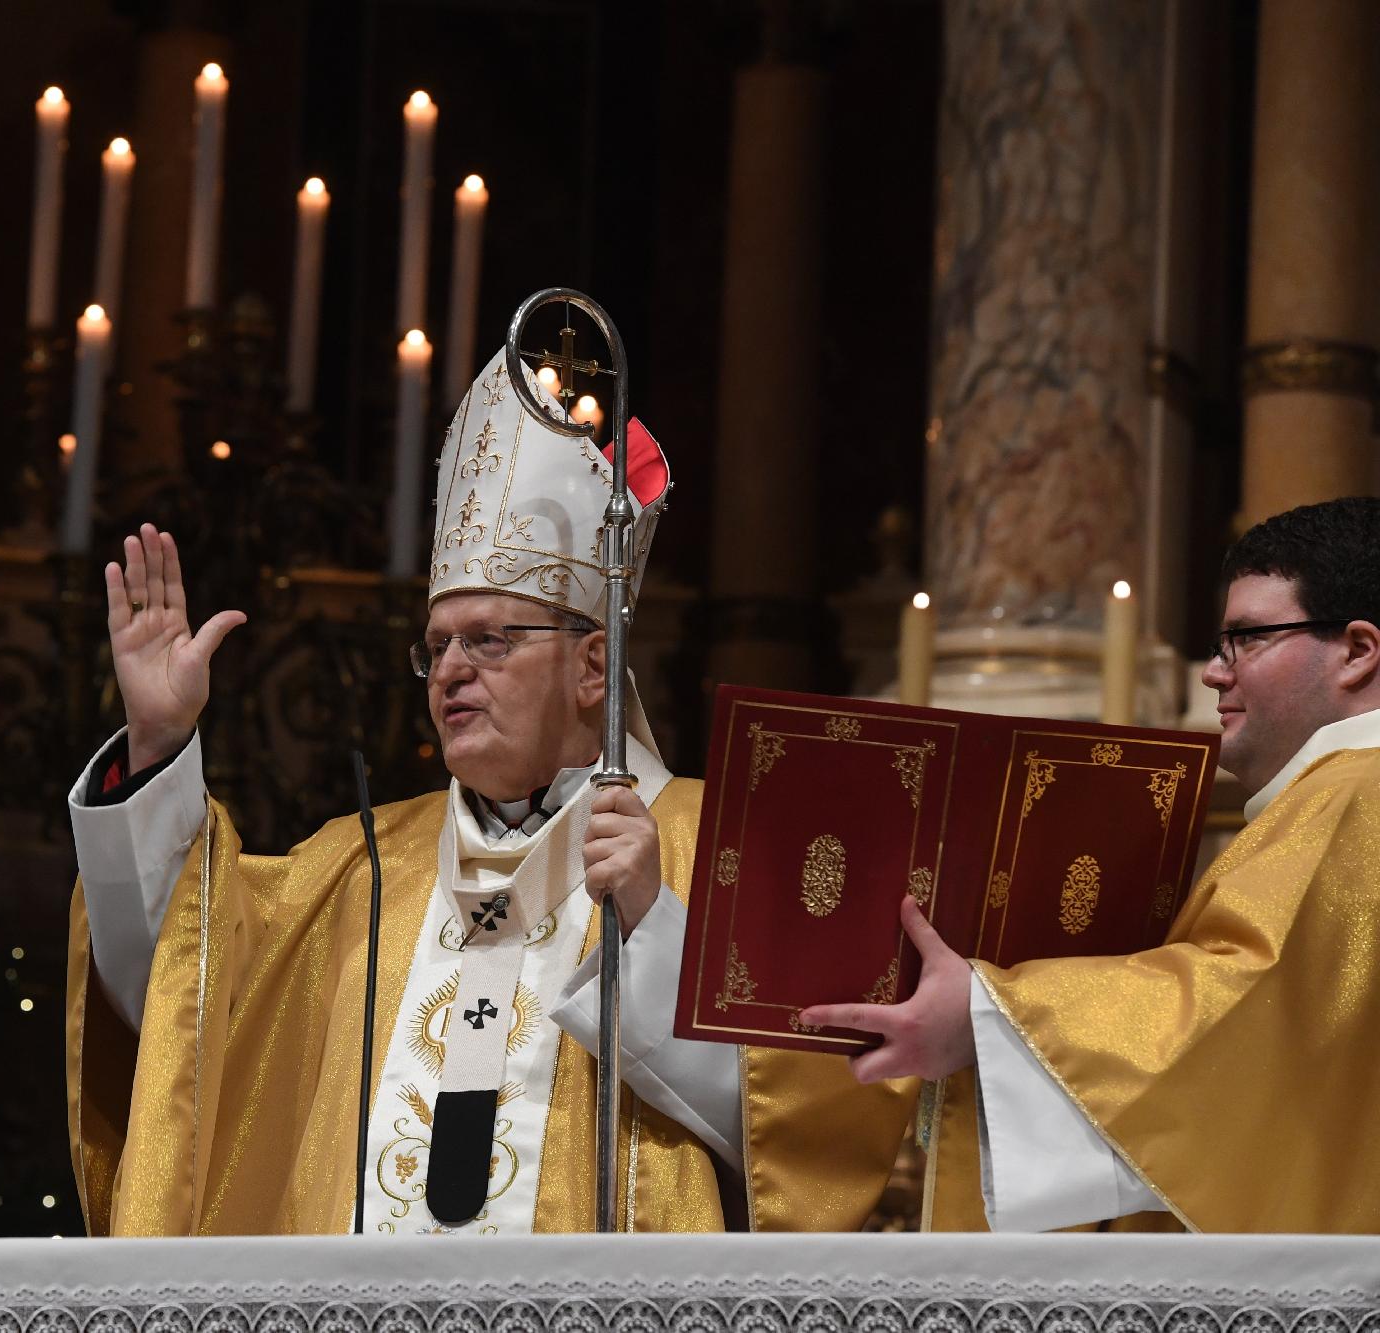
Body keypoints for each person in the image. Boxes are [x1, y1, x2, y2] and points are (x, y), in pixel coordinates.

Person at [65, 351, 914, 1235]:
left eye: (491, 640)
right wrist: (161, 743)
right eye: (436, 646)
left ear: (595, 665)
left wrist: (654, 928)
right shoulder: (358, 866)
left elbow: (823, 1136)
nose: (451, 673)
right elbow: (179, 998)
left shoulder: (725, 844)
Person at [803, 496, 1380, 1232]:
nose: (1213, 672)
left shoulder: (1357, 792)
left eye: (1247, 639)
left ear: (1358, 650)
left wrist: (985, 1012)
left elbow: (1242, 1004)